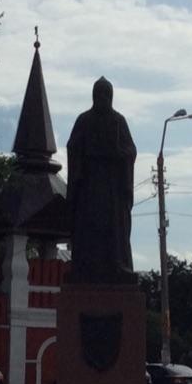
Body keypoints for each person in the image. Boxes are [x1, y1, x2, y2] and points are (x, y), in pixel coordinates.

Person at [65, 77, 136, 283]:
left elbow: (130, 150)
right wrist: (86, 155)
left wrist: (118, 152)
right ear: (94, 95)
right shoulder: (84, 120)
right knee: (88, 227)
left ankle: (117, 265)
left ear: (111, 96)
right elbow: (72, 148)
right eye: (99, 94)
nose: (102, 98)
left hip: (113, 187)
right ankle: (85, 265)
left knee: (114, 228)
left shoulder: (118, 121)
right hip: (89, 184)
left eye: (106, 94)